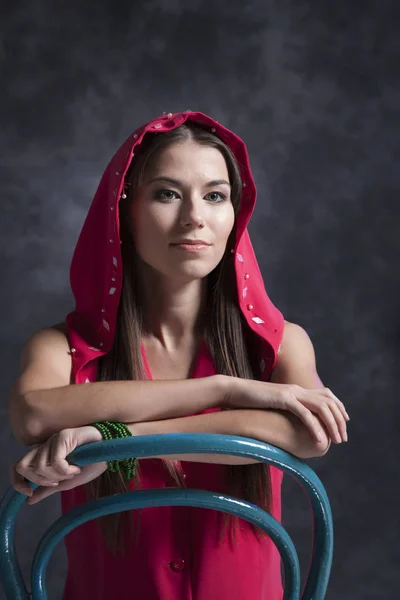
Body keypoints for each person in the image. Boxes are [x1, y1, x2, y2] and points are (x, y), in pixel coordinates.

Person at [8, 110, 349, 600]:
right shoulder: (63, 348)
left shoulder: (280, 344)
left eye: (215, 196)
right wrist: (224, 390)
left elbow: (307, 434)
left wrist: (115, 438)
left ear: (236, 214)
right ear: (122, 211)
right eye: (167, 193)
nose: (195, 217)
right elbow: (34, 414)